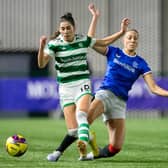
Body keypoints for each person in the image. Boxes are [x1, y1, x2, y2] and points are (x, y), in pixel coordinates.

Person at [84, 27, 168, 160]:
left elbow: (154, 89)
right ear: (123, 40)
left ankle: (93, 154)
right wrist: (95, 17)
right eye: (129, 37)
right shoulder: (113, 52)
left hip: (120, 102)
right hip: (105, 94)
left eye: (135, 38)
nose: (133, 40)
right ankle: (59, 151)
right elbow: (90, 42)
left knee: (115, 148)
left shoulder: (141, 63)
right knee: (84, 122)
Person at [37, 3, 100, 162]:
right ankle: (89, 142)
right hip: (65, 88)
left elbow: (92, 37)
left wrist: (95, 17)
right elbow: (41, 64)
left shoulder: (81, 40)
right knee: (73, 130)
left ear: (74, 28)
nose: (65, 31)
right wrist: (41, 46)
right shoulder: (54, 44)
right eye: (63, 28)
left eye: (68, 28)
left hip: (82, 83)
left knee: (81, 114)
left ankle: (75, 145)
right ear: (60, 29)